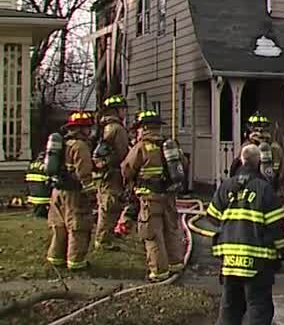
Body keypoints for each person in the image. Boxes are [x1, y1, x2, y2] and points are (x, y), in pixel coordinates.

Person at [207, 143, 284, 325]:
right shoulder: (264, 190)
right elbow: (276, 226)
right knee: (258, 302)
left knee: (230, 302)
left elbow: (212, 216)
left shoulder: (227, 186)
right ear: (259, 163)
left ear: (241, 160)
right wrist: (283, 250)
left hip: (229, 259)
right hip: (257, 258)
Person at [120, 110, 185, 281]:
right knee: (171, 230)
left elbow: (127, 169)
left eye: (138, 129)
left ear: (144, 128)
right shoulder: (170, 145)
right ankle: (176, 263)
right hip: (169, 197)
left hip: (149, 199)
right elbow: (184, 165)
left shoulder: (141, 147)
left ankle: (159, 272)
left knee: (153, 235)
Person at [45, 111, 96, 272]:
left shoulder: (63, 143)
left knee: (59, 226)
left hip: (57, 191)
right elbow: (84, 173)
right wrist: (92, 195)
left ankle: (56, 258)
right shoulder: (80, 146)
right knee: (78, 227)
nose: (90, 131)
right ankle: (76, 262)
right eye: (87, 127)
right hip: (74, 194)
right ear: (81, 129)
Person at [92, 94, 130, 252]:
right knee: (110, 207)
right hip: (111, 173)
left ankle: (105, 235)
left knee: (105, 205)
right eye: (122, 109)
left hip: (101, 173)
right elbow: (123, 154)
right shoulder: (117, 128)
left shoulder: (102, 126)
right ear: (116, 111)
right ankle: (103, 240)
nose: (124, 113)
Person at [230, 113, 284, 191]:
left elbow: (234, 169)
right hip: (269, 189)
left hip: (250, 189)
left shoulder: (247, 147)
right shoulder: (276, 147)